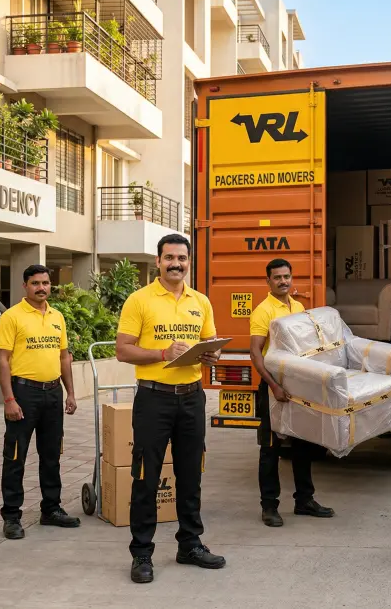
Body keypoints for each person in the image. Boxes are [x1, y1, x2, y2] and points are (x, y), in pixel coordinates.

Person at [115, 234, 224, 585]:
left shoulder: (201, 302)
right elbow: (123, 350)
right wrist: (163, 353)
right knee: (146, 476)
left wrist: (211, 355)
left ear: (189, 261)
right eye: (169, 258)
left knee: (191, 474)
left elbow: (210, 343)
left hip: (192, 396)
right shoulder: (139, 300)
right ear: (158, 261)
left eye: (182, 258)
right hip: (154, 399)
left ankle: (189, 545)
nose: (176, 263)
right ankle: (142, 553)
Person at [249, 258, 335, 528]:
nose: (283, 281)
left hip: (299, 386)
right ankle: (269, 507)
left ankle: (304, 500)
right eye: (277, 277)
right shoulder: (263, 311)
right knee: (271, 449)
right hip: (273, 387)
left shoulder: (298, 307)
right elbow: (255, 352)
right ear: (268, 281)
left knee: (304, 444)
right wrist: (274, 386)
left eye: (287, 276)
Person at [0, 264, 80, 540]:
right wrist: (9, 399)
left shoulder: (58, 317)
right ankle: (11, 516)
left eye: (45, 283)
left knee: (52, 454)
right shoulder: (12, 317)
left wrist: (70, 392)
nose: (42, 288)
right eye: (35, 283)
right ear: (25, 286)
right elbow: (3, 360)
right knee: (16, 456)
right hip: (24, 393)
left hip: (53, 393)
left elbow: (64, 356)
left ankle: (51, 509)